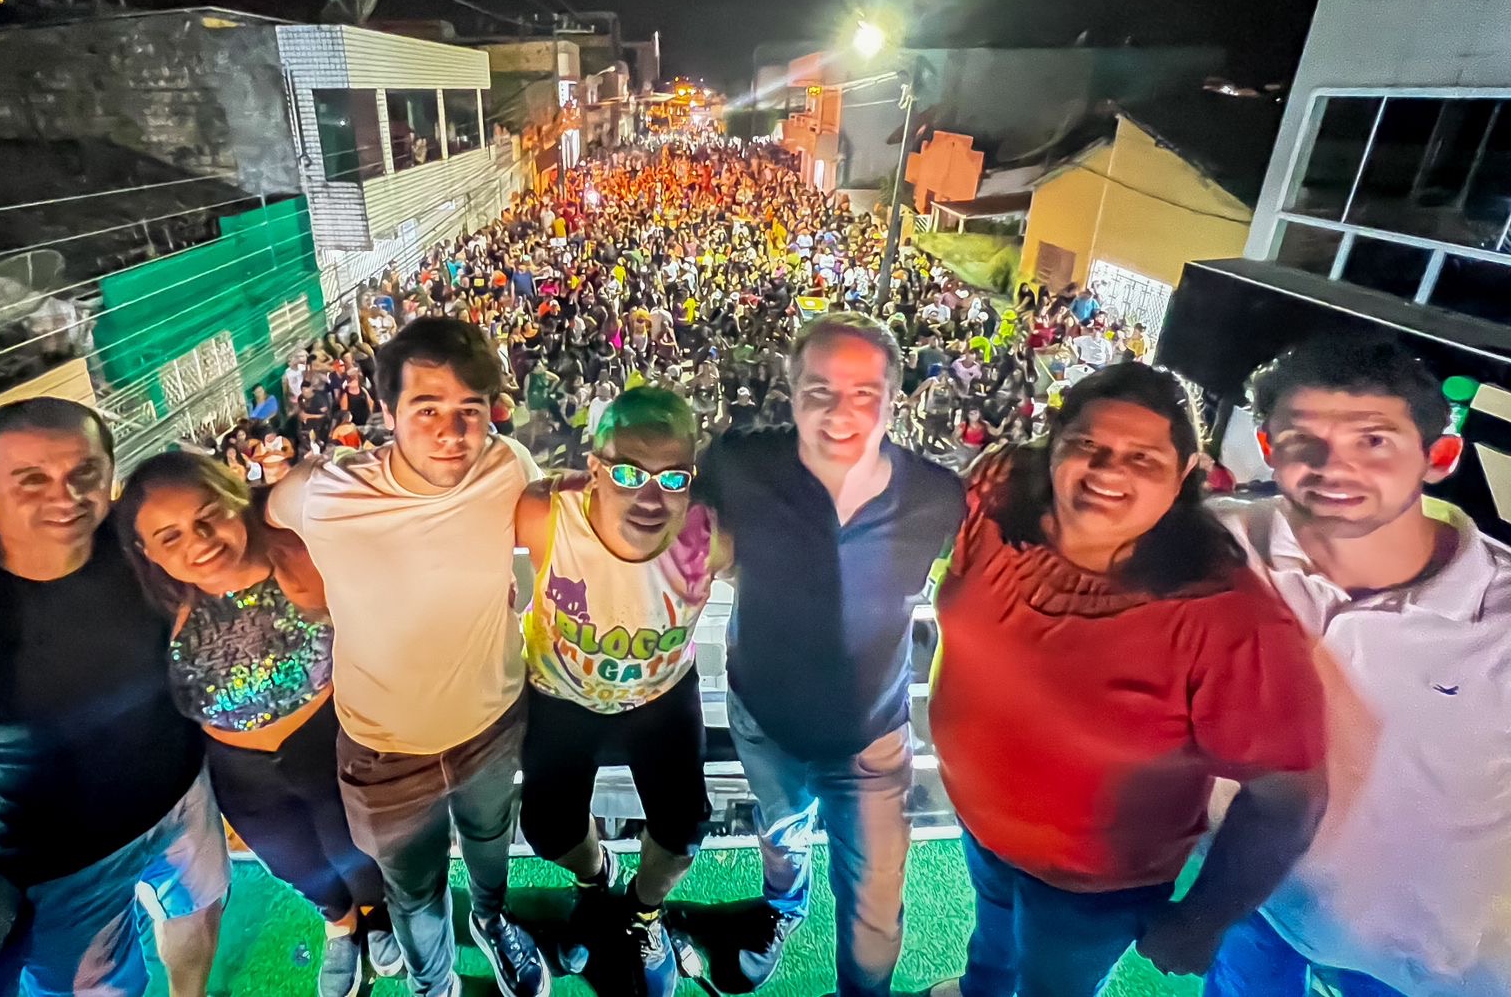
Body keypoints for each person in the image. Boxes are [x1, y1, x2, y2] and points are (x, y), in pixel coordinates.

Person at [928, 363, 1326, 997]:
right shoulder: (1000, 492)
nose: (1109, 470)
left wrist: (1203, 918)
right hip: (980, 826)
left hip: (1091, 886)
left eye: (1144, 458)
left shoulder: (1226, 619)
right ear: (1052, 442)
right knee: (993, 949)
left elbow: (1288, 800)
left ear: (1186, 475)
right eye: (1087, 445)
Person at [1204, 339, 1511, 997]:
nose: (1332, 470)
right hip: (1256, 899)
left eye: (1373, 441)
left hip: (1425, 966)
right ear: (1266, 449)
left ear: (1441, 457)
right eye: (1301, 441)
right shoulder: (1221, 546)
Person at [268, 318, 550, 997]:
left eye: (469, 411)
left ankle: (488, 920)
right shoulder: (324, 494)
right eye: (427, 410)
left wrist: (518, 586)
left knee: (490, 848)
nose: (451, 432)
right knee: (412, 887)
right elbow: (261, 524)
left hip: (491, 725)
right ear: (386, 411)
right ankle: (435, 984)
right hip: (384, 751)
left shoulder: (509, 465)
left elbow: (545, 533)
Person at [0, 398, 228, 997]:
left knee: (199, 913)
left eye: (85, 473)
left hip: (183, 798)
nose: (66, 497)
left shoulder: (143, 541)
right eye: (31, 480)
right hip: (53, 864)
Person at [696, 313, 964, 996]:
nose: (840, 412)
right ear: (791, 394)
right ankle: (784, 910)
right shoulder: (739, 464)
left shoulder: (937, 496)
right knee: (781, 836)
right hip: (763, 719)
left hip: (871, 740)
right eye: (820, 390)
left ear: (894, 399)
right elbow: (680, 533)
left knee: (876, 910)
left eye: (863, 392)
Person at [119, 452, 400, 996]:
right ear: (145, 552)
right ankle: (340, 925)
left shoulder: (302, 551)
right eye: (170, 537)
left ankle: (378, 914)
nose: (199, 542)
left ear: (236, 498)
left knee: (362, 854)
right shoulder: (151, 604)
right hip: (240, 773)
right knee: (296, 864)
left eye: (208, 516)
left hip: (334, 743)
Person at [515, 387, 729, 996]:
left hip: (661, 696)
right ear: (595, 468)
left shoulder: (712, 531)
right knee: (549, 830)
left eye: (672, 477)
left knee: (684, 828)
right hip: (559, 691)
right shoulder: (544, 511)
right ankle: (593, 881)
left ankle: (642, 911)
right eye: (630, 472)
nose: (650, 495)